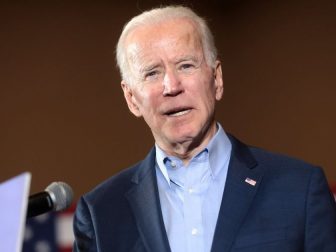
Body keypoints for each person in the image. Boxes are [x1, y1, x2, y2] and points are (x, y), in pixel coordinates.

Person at [73, 5, 336, 252]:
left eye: (186, 65)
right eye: (152, 73)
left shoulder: (300, 189)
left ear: (217, 79)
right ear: (131, 98)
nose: (171, 86)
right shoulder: (100, 213)